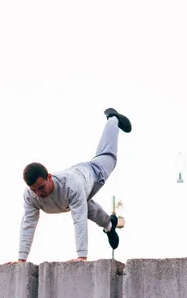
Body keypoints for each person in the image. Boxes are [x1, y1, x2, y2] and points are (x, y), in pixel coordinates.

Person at [11, 108, 132, 263]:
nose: (38, 194)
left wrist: (81, 256)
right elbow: (28, 224)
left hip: (93, 173)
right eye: (34, 190)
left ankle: (113, 119)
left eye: (41, 188)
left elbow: (79, 219)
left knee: (108, 155)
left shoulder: (70, 186)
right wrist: (21, 259)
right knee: (90, 209)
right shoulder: (30, 196)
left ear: (49, 177)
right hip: (74, 192)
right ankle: (110, 224)